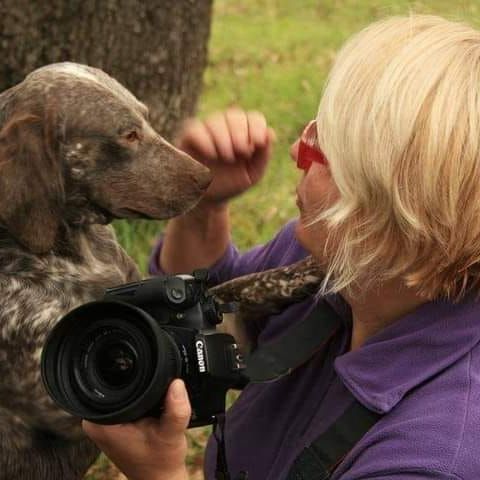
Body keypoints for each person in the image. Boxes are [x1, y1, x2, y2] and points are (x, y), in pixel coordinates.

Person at [83, 15, 480, 480]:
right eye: (314, 129)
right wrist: (203, 211)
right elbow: (209, 311)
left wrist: (158, 473)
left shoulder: (435, 455)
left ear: (394, 210)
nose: (296, 151)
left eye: (322, 151)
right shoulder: (338, 266)